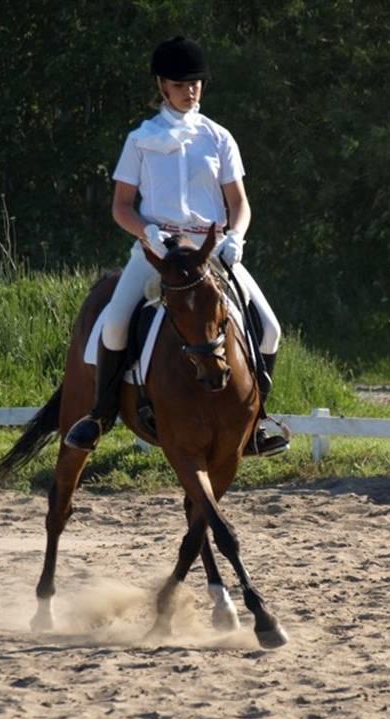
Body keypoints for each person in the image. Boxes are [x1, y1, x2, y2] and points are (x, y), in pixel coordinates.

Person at [65, 36, 289, 457]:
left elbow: (239, 205)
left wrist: (235, 238)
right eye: (182, 84)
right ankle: (99, 416)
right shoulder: (140, 140)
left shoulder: (218, 137)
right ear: (162, 87)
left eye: (197, 84)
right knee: (113, 325)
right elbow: (122, 207)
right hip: (158, 250)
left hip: (212, 250)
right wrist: (147, 234)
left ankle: (256, 422)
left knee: (270, 328)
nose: (192, 91)